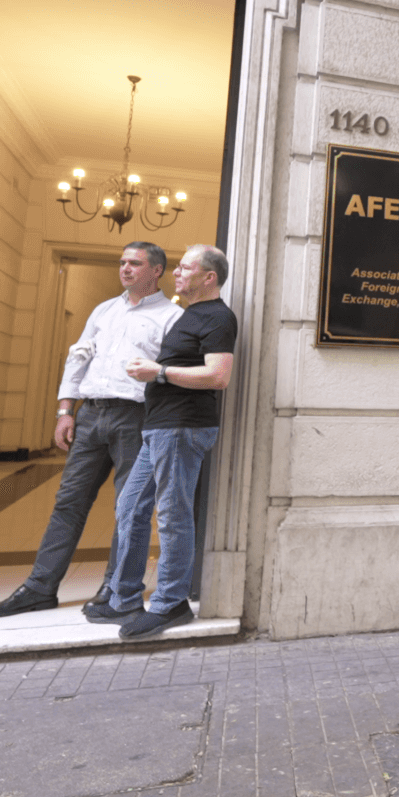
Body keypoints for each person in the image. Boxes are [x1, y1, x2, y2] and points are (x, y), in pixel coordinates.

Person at [0, 242, 181, 618]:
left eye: (135, 263)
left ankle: (115, 587)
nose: (125, 269)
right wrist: (65, 409)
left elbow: (170, 374)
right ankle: (40, 587)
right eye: (123, 262)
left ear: (156, 271)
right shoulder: (104, 310)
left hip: (135, 417)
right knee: (68, 503)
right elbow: (80, 356)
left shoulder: (171, 317)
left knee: (129, 507)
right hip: (90, 415)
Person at [84, 244, 237, 639]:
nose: (177, 274)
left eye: (186, 269)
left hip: (182, 427)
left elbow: (218, 375)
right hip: (160, 427)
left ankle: (171, 604)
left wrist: (159, 372)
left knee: (172, 515)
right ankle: (125, 598)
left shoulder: (219, 317)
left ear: (209, 278)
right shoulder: (190, 315)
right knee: (130, 508)